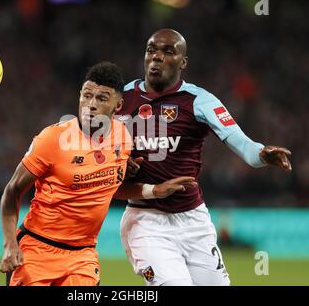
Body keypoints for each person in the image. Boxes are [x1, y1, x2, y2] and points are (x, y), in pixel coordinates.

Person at [115, 29, 292, 286]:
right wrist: (118, 161)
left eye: (168, 52)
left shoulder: (199, 100)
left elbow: (245, 148)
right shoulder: (122, 98)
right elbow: (98, 152)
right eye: (151, 50)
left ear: (183, 62)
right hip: (146, 220)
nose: (157, 57)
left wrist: (262, 153)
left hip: (193, 221)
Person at [0, 61, 196, 286]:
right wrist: (9, 244)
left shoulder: (123, 138)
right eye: (87, 95)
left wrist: (155, 190)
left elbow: (109, 187)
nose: (91, 105)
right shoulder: (52, 139)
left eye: (102, 98)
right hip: (37, 249)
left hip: (82, 256)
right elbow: (12, 191)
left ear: (118, 105)